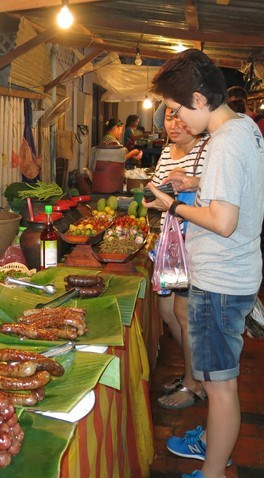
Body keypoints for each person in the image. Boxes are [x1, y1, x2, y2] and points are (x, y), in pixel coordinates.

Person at [146, 49, 264, 478]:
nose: (177, 119)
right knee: (220, 385)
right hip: (232, 273)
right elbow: (236, 188)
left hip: (220, 279)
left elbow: (223, 221)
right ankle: (215, 441)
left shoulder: (227, 141)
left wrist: (174, 204)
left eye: (177, 109)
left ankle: (212, 471)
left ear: (199, 99)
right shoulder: (242, 129)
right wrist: (196, 181)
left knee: (221, 388)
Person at [150, 105, 209, 410]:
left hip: (192, 244)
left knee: (184, 315)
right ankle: (193, 372)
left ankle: (193, 382)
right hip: (168, 243)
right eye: (168, 118)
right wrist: (156, 194)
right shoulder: (166, 151)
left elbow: (218, 194)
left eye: (178, 116)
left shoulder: (207, 148)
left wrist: (191, 182)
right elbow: (159, 199)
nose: (173, 124)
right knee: (166, 311)